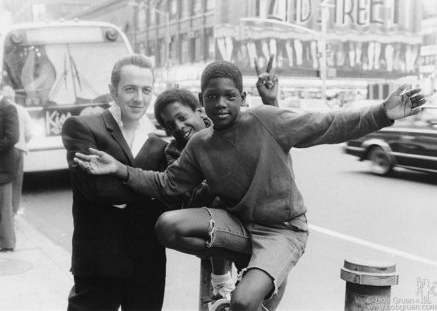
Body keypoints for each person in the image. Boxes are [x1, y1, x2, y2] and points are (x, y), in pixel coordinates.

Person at [75, 61, 426, 311]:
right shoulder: (200, 144)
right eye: (213, 97)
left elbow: (328, 124)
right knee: (167, 226)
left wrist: (383, 112)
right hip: (241, 227)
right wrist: (121, 169)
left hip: (284, 230)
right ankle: (253, 263)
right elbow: (167, 185)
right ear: (204, 100)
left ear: (243, 99)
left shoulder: (266, 119)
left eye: (230, 96)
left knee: (243, 302)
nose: (221, 104)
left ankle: (260, 270)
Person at [152, 57, 277, 302]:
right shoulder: (177, 151)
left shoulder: (231, 123)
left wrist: (270, 100)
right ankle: (222, 281)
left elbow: (272, 137)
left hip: (257, 219)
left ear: (200, 110)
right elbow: (189, 197)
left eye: (181, 117)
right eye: (170, 125)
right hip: (215, 222)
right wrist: (216, 175)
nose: (178, 127)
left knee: (266, 290)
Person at [61, 54, 169, 311]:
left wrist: (157, 189)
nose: (138, 98)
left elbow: (173, 194)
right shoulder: (83, 128)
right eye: (130, 89)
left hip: (147, 261)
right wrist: (155, 188)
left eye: (146, 90)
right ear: (113, 91)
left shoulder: (159, 144)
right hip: (99, 259)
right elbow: (98, 189)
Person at [3, 85, 32, 215]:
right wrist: (24, 143)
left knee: (6, 182)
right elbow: (29, 132)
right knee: (17, 182)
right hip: (19, 148)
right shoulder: (21, 109)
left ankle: (7, 211)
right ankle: (14, 210)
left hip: (6, 150)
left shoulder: (3, 109)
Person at [0, 85, 19, 252]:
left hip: (4, 167)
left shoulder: (8, 108)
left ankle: (7, 243)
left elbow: (13, 137)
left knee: (5, 208)